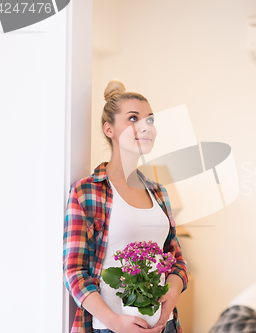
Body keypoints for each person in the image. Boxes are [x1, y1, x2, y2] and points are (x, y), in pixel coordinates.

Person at [63, 80, 188, 333]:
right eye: (133, 118)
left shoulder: (159, 192)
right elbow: (74, 271)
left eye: (150, 120)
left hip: (166, 326)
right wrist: (115, 323)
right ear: (109, 129)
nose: (145, 127)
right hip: (109, 328)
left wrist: (170, 301)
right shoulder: (87, 192)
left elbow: (176, 259)